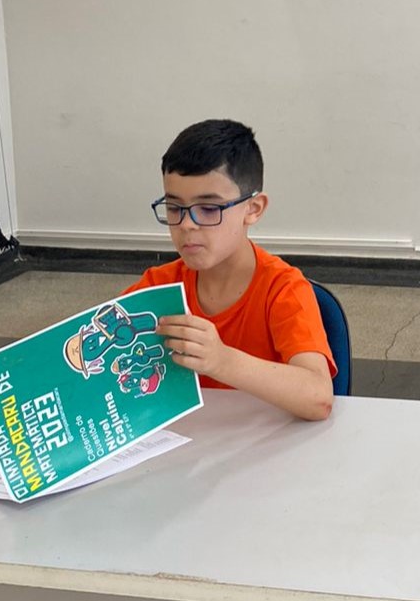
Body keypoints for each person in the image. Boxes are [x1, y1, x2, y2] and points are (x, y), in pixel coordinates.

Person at [122, 119, 336, 421]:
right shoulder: (158, 286)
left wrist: (222, 361)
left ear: (253, 209)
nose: (187, 224)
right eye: (174, 208)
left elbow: (319, 398)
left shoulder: (283, 289)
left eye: (209, 209)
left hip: (268, 443)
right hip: (190, 442)